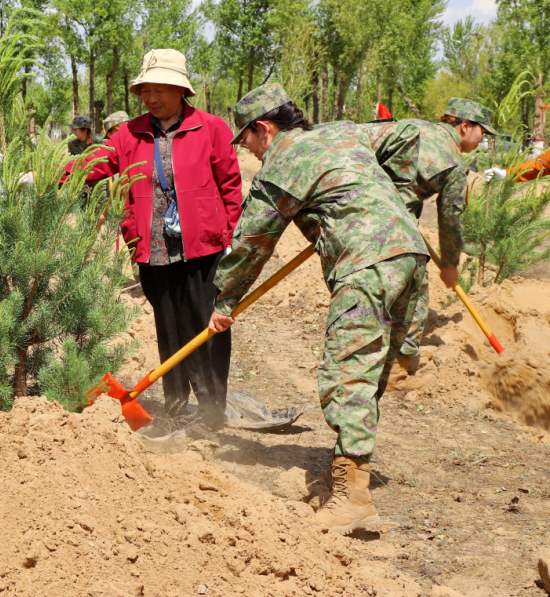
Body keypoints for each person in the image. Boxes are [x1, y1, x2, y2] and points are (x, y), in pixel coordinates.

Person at [209, 84, 428, 535]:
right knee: (370, 373)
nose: (246, 149)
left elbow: (251, 244)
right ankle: (347, 469)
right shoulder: (344, 134)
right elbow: (409, 135)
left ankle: (353, 499)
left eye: (246, 139)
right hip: (410, 253)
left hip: (365, 266)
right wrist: (399, 203)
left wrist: (224, 301)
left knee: (348, 373)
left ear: (264, 130)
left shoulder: (283, 163)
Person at [65, 48, 242, 427]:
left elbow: (230, 185)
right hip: (154, 249)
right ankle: (177, 407)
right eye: (145, 90)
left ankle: (213, 411)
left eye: (160, 89)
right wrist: (51, 175)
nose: (151, 98)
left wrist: (228, 237)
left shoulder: (210, 128)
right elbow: (96, 163)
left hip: (202, 248)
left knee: (206, 326)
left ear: (181, 91)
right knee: (170, 327)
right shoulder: (130, 134)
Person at [360, 97, 498, 392]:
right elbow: (450, 220)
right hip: (393, 223)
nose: (482, 139)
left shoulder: (411, 126)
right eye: (482, 132)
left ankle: (359, 360)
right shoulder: (454, 163)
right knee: (415, 289)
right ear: (464, 126)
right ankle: (398, 373)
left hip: (357, 211)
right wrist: (449, 265)